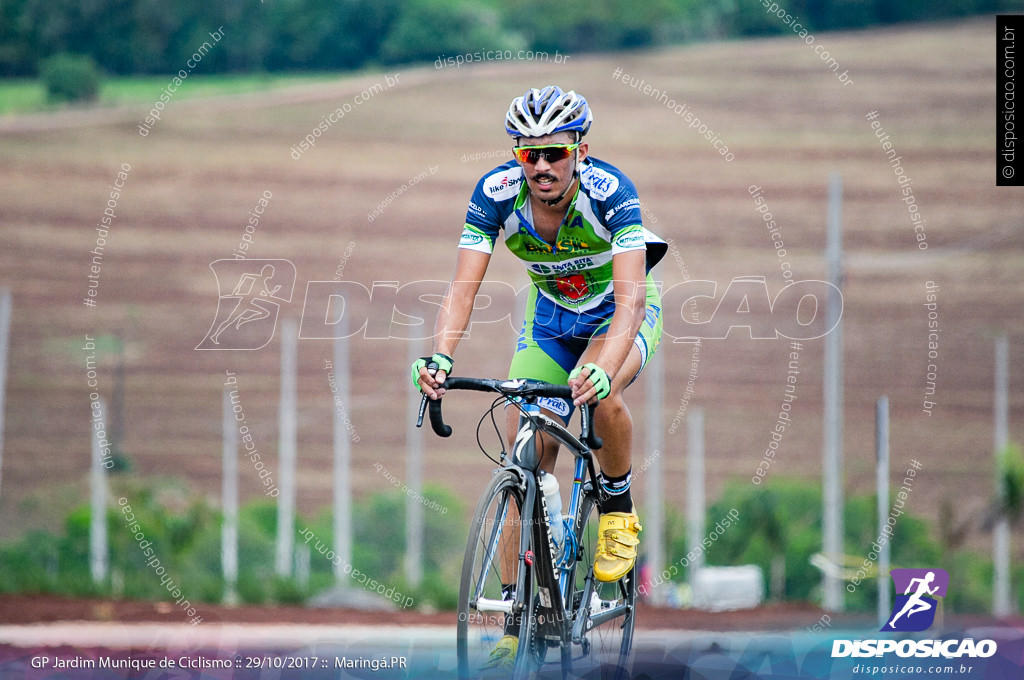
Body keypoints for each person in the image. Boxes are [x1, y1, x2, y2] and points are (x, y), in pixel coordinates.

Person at [412, 85, 666, 669]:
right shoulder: (496, 194)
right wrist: (441, 357)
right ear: (515, 155)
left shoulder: (611, 194)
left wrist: (602, 369)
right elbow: (462, 288)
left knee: (600, 395)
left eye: (554, 152)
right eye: (529, 154)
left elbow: (629, 303)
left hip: (618, 315)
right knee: (523, 450)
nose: (542, 166)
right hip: (550, 319)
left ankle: (618, 506)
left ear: (581, 149)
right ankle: (513, 616)